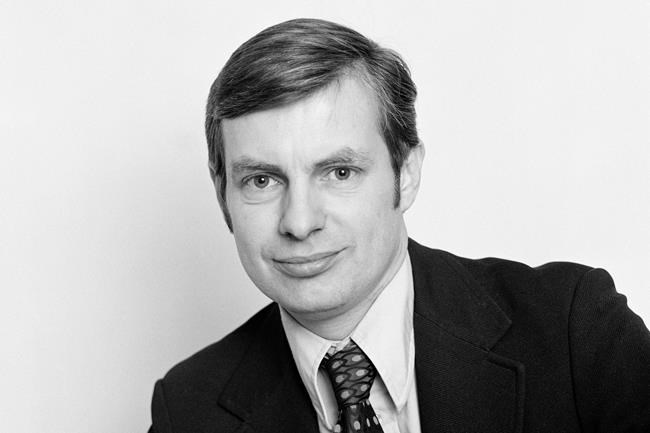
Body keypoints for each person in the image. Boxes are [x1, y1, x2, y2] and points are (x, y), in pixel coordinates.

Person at [148, 18, 650, 433]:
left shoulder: (573, 331)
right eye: (261, 180)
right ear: (223, 195)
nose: (299, 222)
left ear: (405, 174)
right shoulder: (188, 410)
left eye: (339, 172)